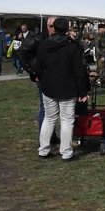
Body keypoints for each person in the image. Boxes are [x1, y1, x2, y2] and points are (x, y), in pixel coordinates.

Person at [33, 17, 88, 161]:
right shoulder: (72, 47)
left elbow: (37, 65)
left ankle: (44, 149)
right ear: (67, 29)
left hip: (49, 86)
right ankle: (66, 152)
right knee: (66, 120)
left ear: (54, 28)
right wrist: (82, 91)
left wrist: (37, 77)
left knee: (49, 118)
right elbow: (79, 71)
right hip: (67, 88)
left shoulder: (45, 44)